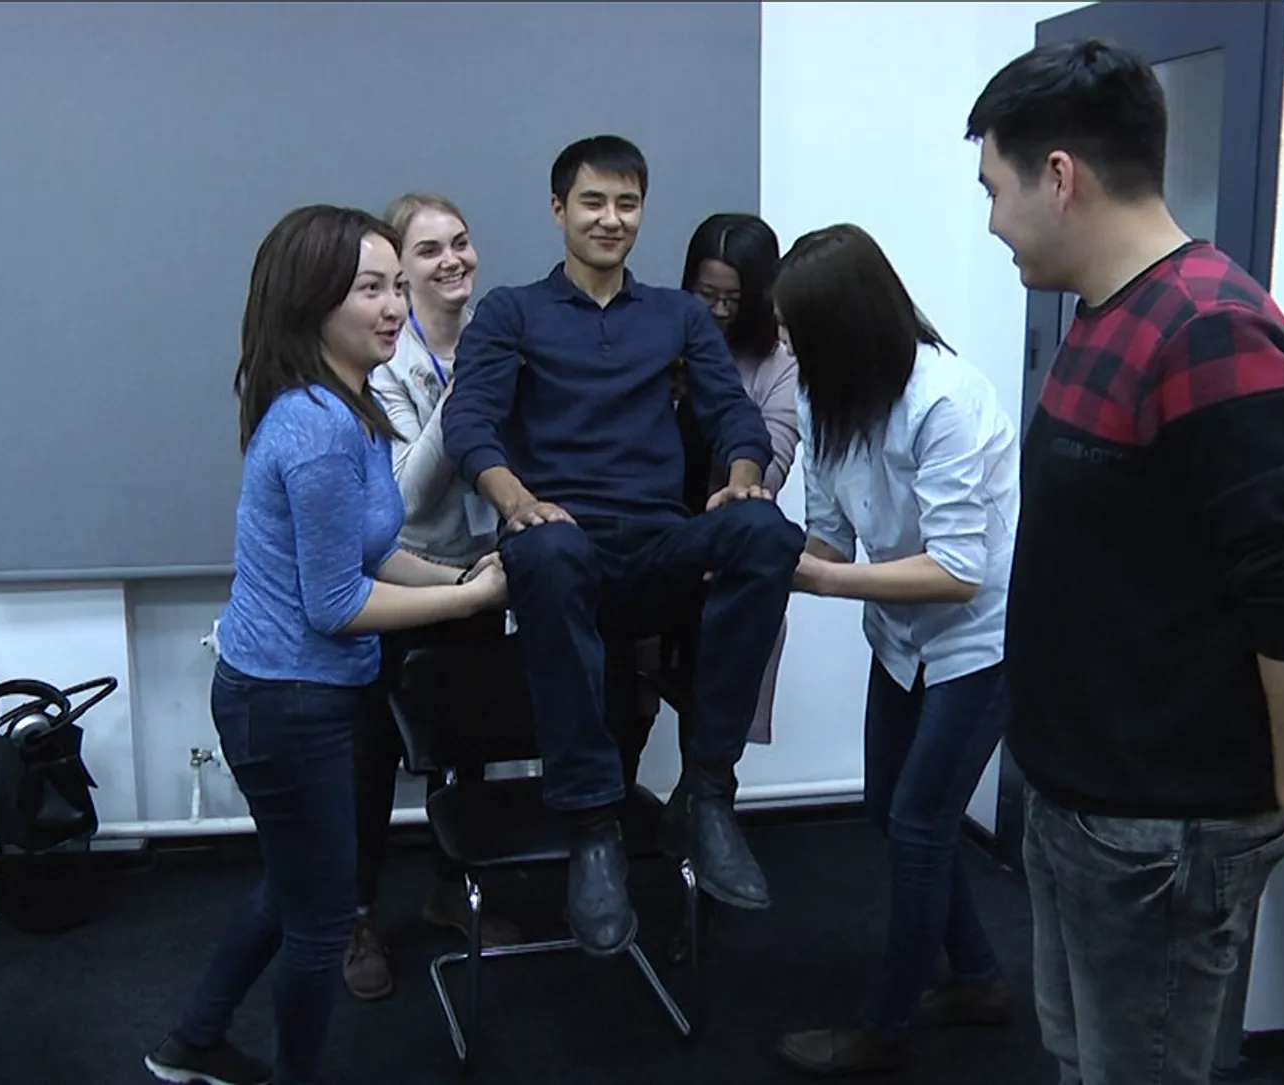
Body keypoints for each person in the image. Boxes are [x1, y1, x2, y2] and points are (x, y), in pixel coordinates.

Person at [967, 40, 1284, 1085]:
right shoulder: (1108, 312)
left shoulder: (1209, 327)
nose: (993, 220)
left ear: (1060, 177)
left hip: (1161, 828)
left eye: (995, 188)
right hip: (1081, 799)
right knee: (1083, 1058)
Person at [146, 205, 508, 1085]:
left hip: (302, 693)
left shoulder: (353, 408)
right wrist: (472, 598)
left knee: (291, 887)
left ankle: (190, 1041)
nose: (395, 307)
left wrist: (460, 576)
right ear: (312, 303)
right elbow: (338, 602)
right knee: (319, 918)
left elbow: (373, 550)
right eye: (370, 289)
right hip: (284, 700)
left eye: (395, 286)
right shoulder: (317, 428)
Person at [443, 135, 805, 958]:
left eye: (627, 203)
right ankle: (593, 830)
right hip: (560, 543)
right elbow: (470, 422)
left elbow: (733, 414)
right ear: (558, 209)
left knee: (764, 530)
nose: (611, 219)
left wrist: (742, 477)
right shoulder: (511, 311)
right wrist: (519, 503)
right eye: (594, 202)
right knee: (548, 550)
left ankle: (707, 791)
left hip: (656, 545)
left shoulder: (677, 315)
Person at [767, 224, 1018, 1077]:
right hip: (901, 634)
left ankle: (887, 1026)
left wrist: (820, 581)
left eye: (795, 332)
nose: (785, 348)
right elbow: (829, 542)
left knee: (918, 824)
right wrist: (754, 555)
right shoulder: (823, 398)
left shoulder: (944, 401)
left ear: (842, 328)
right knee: (893, 807)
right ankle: (980, 978)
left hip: (979, 642)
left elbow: (957, 571)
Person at [342, 191, 518, 1001]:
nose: (452, 260)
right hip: (404, 575)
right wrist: (464, 395)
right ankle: (357, 915)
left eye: (461, 242)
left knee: (468, 743)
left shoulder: (497, 338)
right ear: (400, 275)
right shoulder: (382, 364)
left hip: (483, 574)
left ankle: (452, 887)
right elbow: (406, 496)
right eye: (428, 250)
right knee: (375, 754)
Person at [618, 212, 800, 784]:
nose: (719, 311)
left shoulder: (776, 366)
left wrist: (741, 487)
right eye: (706, 294)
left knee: (711, 702)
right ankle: (617, 803)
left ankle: (701, 800)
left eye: (734, 300)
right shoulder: (657, 338)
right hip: (645, 542)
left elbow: (773, 459)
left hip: (720, 549)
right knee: (625, 699)